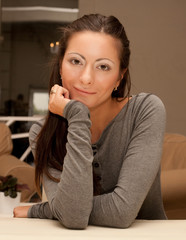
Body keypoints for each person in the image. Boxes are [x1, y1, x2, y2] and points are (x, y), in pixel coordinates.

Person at [13, 14, 167, 229]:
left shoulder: (145, 111)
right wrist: (77, 116)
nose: (86, 78)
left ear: (119, 77)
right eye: (76, 61)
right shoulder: (42, 133)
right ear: (60, 66)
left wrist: (45, 209)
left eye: (103, 66)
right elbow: (73, 218)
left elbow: (120, 213)